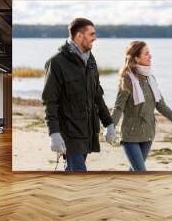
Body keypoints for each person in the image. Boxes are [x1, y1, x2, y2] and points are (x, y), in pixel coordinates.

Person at [42, 18, 116, 171]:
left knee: (73, 172)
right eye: (91, 34)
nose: (95, 38)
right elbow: (50, 101)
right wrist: (54, 133)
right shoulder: (56, 63)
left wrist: (108, 123)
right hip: (69, 134)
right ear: (79, 36)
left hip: (87, 132)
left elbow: (97, 95)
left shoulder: (91, 60)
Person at [110, 41, 172, 172]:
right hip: (130, 136)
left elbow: (161, 106)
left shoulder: (151, 79)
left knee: (134, 171)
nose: (151, 56)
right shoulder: (127, 79)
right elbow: (118, 107)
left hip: (148, 134)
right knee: (141, 172)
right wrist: (111, 126)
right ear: (136, 58)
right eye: (146, 53)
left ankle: (124, 190)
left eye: (149, 53)